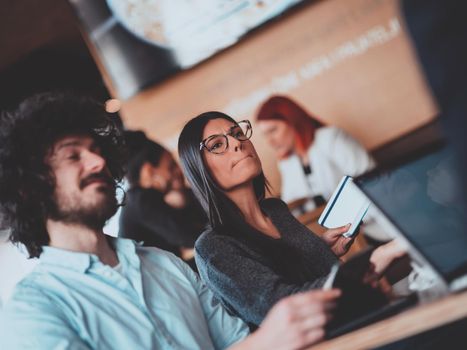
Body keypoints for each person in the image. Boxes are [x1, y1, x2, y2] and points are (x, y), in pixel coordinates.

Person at [0, 92, 341, 350]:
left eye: (97, 150)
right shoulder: (33, 309)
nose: (96, 162)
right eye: (73, 156)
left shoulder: (165, 265)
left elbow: (234, 342)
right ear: (30, 188)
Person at [178, 111, 400, 329]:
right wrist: (373, 261)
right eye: (216, 145)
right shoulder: (212, 246)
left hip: (357, 320)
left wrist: (318, 251)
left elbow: (299, 276)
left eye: (237, 133)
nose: (237, 143)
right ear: (199, 168)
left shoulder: (276, 210)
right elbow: (283, 308)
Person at [255, 95, 375, 212]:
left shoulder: (330, 138)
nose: (269, 141)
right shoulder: (286, 163)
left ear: (292, 121)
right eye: (265, 135)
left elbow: (370, 181)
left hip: (366, 221)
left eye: (273, 130)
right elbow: (291, 208)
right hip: (326, 227)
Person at [119, 130, 206, 268]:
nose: (179, 170)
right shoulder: (140, 201)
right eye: (171, 166)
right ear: (149, 171)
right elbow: (189, 236)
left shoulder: (140, 200)